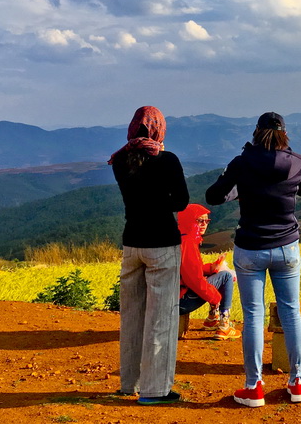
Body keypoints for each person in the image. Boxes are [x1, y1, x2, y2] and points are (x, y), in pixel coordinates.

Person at [206, 112, 301, 407]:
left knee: (253, 316)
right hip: (287, 247)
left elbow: (213, 195)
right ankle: (297, 381)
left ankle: (253, 387)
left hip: (250, 248)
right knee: (291, 312)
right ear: (284, 135)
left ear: (256, 132)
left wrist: (239, 187)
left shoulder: (242, 163)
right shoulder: (296, 162)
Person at [109, 106, 189, 406]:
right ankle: (156, 390)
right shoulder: (167, 160)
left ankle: (129, 383)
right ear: (158, 130)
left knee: (131, 315)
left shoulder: (119, 160)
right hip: (162, 243)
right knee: (161, 318)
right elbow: (180, 202)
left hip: (132, 243)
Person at [177, 203, 241, 340]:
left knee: (217, 275)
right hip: (181, 301)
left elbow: (187, 270)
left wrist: (210, 268)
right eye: (199, 220)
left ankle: (213, 319)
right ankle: (224, 324)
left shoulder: (180, 237)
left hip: (171, 297)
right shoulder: (188, 242)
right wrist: (215, 297)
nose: (204, 224)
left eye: (206, 220)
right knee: (226, 276)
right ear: (188, 220)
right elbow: (193, 280)